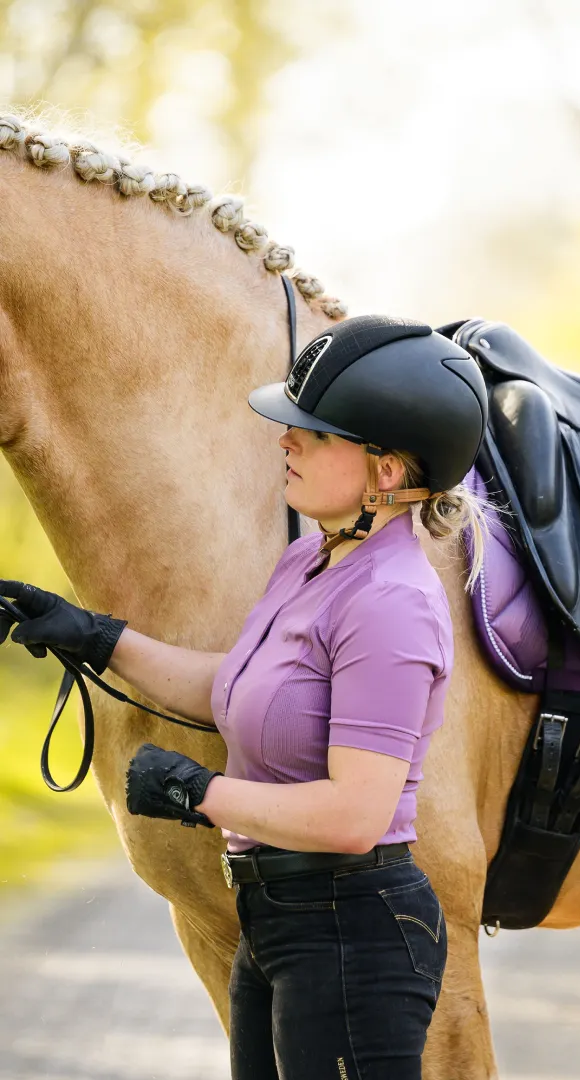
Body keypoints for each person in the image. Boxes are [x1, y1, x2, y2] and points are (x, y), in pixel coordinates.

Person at [0, 314, 490, 1080]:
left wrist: (202, 792)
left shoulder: (391, 600)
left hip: (350, 933)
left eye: (314, 432)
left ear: (386, 470)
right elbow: (239, 687)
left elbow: (356, 815)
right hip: (276, 922)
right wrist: (94, 637)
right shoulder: (309, 562)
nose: (285, 439)